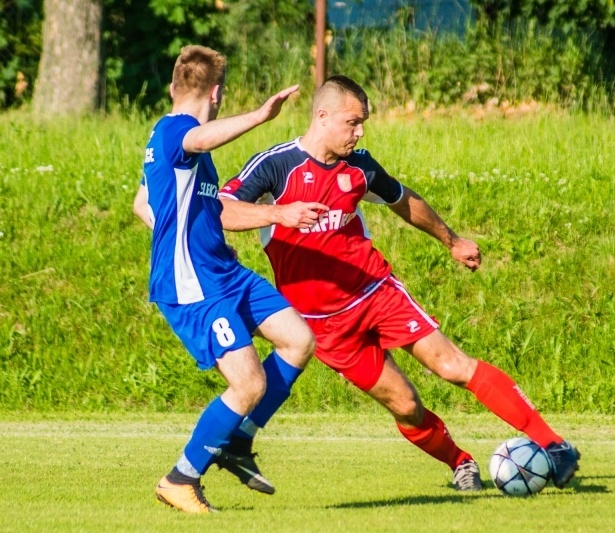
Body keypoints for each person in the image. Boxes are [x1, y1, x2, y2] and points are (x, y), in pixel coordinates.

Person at [218, 75, 580, 492]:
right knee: (406, 405)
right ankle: (460, 462)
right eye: (353, 122)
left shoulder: (360, 166)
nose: (360, 132)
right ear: (322, 116)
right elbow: (223, 209)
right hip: (323, 323)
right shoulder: (276, 165)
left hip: (376, 292)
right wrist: (278, 214)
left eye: (363, 123)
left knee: (452, 365)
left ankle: (554, 445)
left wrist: (453, 240)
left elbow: (403, 200)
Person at [132, 45, 328, 513]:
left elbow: (145, 205)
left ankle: (237, 441)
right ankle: (181, 479)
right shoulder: (177, 130)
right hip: (193, 285)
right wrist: (261, 116)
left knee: (298, 340)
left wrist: (197, 232)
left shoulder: (169, 145)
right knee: (248, 384)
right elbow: (198, 141)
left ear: (174, 85)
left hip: (223, 270)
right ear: (216, 94)